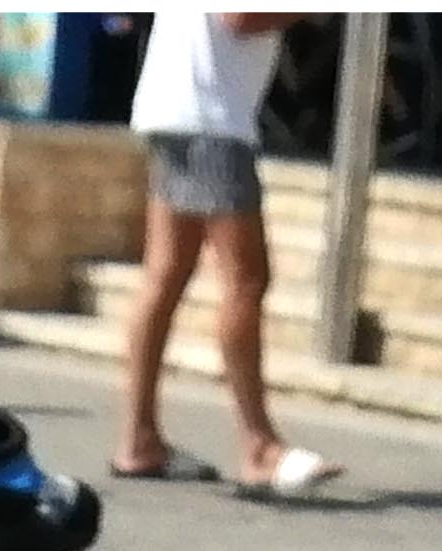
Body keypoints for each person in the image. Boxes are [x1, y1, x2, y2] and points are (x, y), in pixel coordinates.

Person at [116, 8, 342, 496]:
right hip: (210, 120)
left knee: (166, 273)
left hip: (176, 107)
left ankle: (139, 439)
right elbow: (239, 17)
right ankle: (257, 446)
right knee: (246, 278)